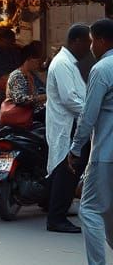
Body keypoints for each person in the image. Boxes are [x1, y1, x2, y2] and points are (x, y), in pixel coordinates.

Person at [63, 18, 113, 265]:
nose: (91, 45)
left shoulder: (102, 68)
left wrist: (75, 148)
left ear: (103, 41)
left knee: (91, 210)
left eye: (93, 40)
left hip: (106, 152)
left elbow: (88, 115)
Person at [46, 25, 91, 234]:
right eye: (87, 43)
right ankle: (57, 218)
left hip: (71, 124)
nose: (89, 48)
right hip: (68, 125)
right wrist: (91, 113)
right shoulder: (63, 64)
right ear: (76, 41)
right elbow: (70, 99)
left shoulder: (69, 63)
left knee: (66, 171)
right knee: (67, 171)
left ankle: (57, 214)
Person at [5, 41, 47, 121]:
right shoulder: (17, 75)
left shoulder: (31, 74)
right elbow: (20, 99)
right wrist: (45, 96)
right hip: (22, 115)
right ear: (29, 59)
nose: (39, 64)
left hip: (32, 113)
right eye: (37, 61)